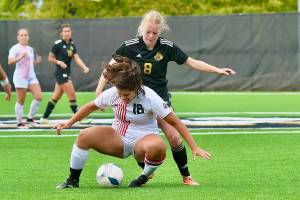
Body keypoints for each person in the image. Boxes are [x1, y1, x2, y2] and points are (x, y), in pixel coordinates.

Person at [96, 10, 235, 186]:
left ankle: (186, 177)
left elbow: (191, 62)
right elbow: (110, 67)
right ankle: (145, 168)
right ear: (141, 28)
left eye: (155, 33)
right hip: (137, 101)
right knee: (133, 140)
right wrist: (99, 91)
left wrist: (217, 70)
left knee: (175, 138)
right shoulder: (129, 46)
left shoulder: (167, 47)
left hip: (159, 100)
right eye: (148, 31)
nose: (151, 35)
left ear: (160, 32)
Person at [55, 56, 211, 189]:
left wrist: (194, 147)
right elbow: (90, 107)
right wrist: (69, 123)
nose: (122, 97)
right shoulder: (113, 93)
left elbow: (176, 123)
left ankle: (143, 177)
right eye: (119, 93)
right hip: (118, 140)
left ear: (136, 88)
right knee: (83, 136)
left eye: (126, 94)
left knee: (158, 146)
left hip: (143, 144)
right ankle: (72, 181)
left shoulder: (150, 97)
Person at [40, 23, 90, 124]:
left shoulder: (72, 45)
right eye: (65, 31)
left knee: (56, 97)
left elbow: (77, 58)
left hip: (67, 72)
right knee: (72, 95)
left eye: (68, 31)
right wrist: (59, 62)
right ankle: (80, 118)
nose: (67, 33)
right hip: (60, 73)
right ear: (61, 33)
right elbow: (50, 58)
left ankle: (44, 118)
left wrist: (84, 67)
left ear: (71, 32)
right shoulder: (57, 44)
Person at [8, 28, 42, 128]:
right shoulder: (15, 48)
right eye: (21, 35)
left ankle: (30, 118)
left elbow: (29, 64)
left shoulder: (30, 49)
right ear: (18, 37)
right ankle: (19, 122)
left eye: (25, 35)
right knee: (21, 100)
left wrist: (36, 62)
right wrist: (20, 57)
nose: (24, 37)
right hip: (20, 77)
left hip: (31, 76)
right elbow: (10, 62)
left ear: (28, 37)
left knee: (39, 97)